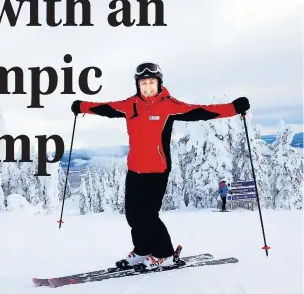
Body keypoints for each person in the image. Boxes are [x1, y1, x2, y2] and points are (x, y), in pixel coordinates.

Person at [70, 62, 250, 271]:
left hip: (158, 170)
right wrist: (81, 106)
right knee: (133, 215)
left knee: (148, 216)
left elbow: (201, 111)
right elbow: (106, 108)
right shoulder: (130, 105)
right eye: (143, 83)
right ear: (138, 85)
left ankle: (164, 254)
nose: (147, 87)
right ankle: (143, 250)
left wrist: (234, 108)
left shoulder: (169, 105)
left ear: (159, 83)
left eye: (152, 82)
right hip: (134, 169)